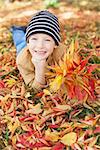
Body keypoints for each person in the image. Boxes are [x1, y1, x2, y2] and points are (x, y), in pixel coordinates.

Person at [11, 10, 66, 91]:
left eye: (47, 40)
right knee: (19, 41)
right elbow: (35, 89)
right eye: (34, 38)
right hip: (25, 48)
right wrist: (39, 69)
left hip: (33, 47)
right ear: (28, 42)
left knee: (29, 39)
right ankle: (17, 30)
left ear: (55, 44)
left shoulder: (63, 53)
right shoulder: (22, 60)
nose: (40, 46)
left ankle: (29, 34)